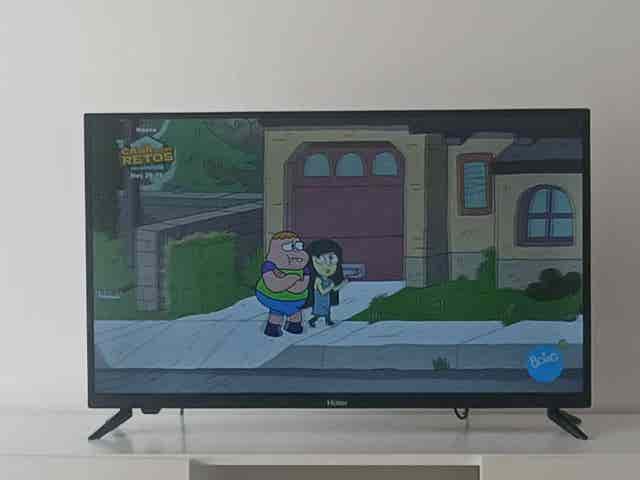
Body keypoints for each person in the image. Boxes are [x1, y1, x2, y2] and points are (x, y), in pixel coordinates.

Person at [255, 231, 310, 337]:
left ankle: (293, 326)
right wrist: (291, 278)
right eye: (289, 247)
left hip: (296, 300)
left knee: (294, 313)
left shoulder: (303, 269)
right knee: (277, 313)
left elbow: (301, 287)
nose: (295, 251)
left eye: (298, 246)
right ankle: (273, 328)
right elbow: (274, 286)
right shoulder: (270, 267)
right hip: (273, 297)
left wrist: (292, 283)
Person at [306, 239, 348, 327]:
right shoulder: (318, 280)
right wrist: (331, 287)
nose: (327, 266)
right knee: (319, 314)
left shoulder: (329, 280)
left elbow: (334, 289)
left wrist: (343, 283)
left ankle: (328, 321)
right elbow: (322, 291)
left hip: (326, 301)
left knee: (327, 312)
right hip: (319, 302)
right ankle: (312, 321)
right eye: (320, 262)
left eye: (332, 262)